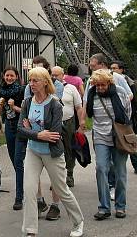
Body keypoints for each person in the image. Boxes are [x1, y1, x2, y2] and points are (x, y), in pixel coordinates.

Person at [18, 67, 84, 237]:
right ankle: (30, 230)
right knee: (29, 190)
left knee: (62, 189)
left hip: (52, 152)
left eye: (35, 81)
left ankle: (78, 222)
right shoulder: (27, 102)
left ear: (45, 82)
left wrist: (31, 131)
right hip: (33, 151)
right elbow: (20, 129)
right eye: (30, 80)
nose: (31, 84)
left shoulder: (55, 104)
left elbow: (54, 135)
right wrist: (38, 133)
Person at [86, 69, 131, 221]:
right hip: (100, 135)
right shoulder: (93, 93)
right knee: (100, 168)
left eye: (102, 85)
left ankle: (120, 206)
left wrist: (118, 129)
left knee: (120, 172)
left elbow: (127, 112)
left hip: (118, 137)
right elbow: (89, 113)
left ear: (109, 83)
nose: (99, 88)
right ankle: (104, 207)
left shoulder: (119, 92)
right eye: (97, 85)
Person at [0, 65, 26, 210]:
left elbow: (26, 112)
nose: (9, 78)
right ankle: (25, 184)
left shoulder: (21, 90)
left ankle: (19, 197)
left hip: (20, 127)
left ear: (17, 77)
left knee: (18, 162)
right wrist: (0, 105)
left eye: (12, 76)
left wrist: (14, 107)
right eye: (7, 75)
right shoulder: (1, 91)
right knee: (14, 161)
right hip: (9, 126)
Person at [110, 60, 137, 175]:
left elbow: (134, 100)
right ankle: (117, 166)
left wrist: (130, 116)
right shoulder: (110, 80)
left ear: (121, 69)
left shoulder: (128, 81)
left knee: (130, 140)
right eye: (111, 68)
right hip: (115, 117)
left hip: (128, 117)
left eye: (115, 68)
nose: (113, 70)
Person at [58, 66, 86, 188]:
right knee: (56, 150)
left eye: (56, 75)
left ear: (62, 75)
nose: (54, 77)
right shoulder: (48, 88)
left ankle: (69, 174)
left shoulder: (70, 88)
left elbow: (79, 107)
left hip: (68, 122)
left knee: (69, 148)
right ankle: (57, 177)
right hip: (54, 124)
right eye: (52, 75)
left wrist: (81, 122)